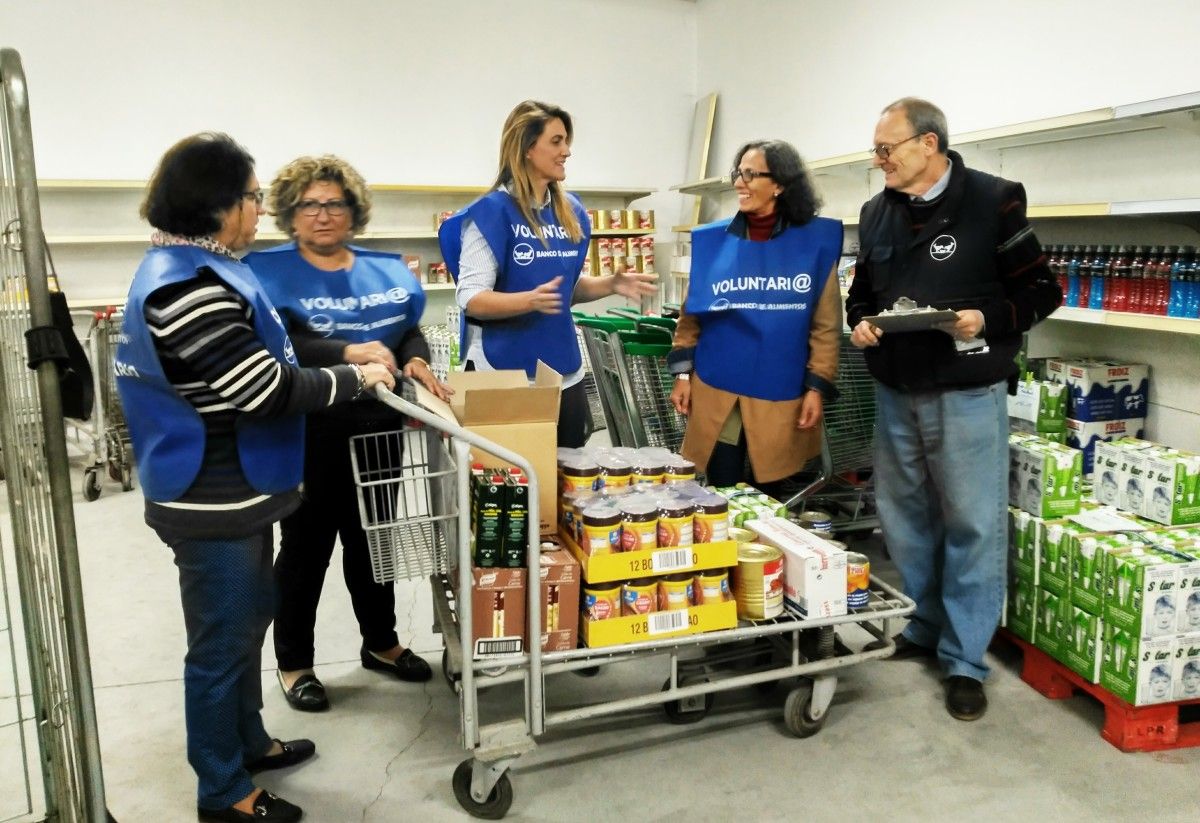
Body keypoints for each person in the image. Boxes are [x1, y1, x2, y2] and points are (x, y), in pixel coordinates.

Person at [115, 133, 395, 823]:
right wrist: (354, 377)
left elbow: (270, 346)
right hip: (210, 493)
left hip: (234, 486)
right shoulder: (184, 287)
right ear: (216, 205)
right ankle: (223, 790)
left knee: (243, 624)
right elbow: (263, 387)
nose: (257, 208)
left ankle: (250, 741)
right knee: (222, 642)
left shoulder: (205, 267)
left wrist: (338, 358)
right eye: (249, 195)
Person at [847, 98, 1063, 722]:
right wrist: (861, 324)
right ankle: (921, 626)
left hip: (966, 389)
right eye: (877, 150)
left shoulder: (994, 200)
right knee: (905, 516)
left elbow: (1042, 291)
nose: (879, 160)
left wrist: (985, 319)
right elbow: (863, 295)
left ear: (930, 145)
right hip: (896, 388)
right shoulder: (875, 212)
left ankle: (967, 659)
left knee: (971, 521)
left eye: (888, 149)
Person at [246, 156, 449, 712]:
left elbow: (407, 331)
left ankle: (380, 642)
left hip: (379, 426)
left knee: (372, 541)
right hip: (310, 429)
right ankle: (294, 663)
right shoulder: (264, 273)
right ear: (290, 212)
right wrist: (345, 353)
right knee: (305, 549)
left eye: (334, 203)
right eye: (309, 204)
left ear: (353, 210)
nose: (322, 215)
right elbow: (277, 347)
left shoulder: (385, 270)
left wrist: (418, 360)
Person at [439, 99, 657, 447]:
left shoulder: (570, 212)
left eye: (566, 141)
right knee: (515, 484)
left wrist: (610, 284)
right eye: (556, 141)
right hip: (502, 370)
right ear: (527, 147)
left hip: (563, 369)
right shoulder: (490, 214)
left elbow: (565, 290)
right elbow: (471, 298)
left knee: (569, 477)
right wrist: (528, 301)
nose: (567, 151)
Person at [667, 140, 843, 494]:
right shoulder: (714, 244)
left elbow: (826, 327)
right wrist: (683, 375)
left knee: (772, 493)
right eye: (738, 173)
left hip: (780, 392)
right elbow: (690, 318)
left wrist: (816, 388)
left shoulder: (813, 246)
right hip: (720, 390)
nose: (739, 182)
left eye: (751, 174)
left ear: (779, 184)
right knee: (722, 490)